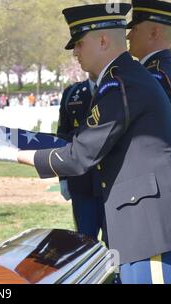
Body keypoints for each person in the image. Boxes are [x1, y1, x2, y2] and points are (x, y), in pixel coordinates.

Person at [0, 3, 171, 284]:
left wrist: (10, 153)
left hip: (149, 227)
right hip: (141, 225)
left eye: (79, 44)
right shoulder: (121, 78)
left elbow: (79, 155)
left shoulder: (120, 83)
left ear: (103, 40)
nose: (75, 53)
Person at [58, 75, 105, 241]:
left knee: (118, 244)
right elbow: (63, 137)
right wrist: (62, 178)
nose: (77, 54)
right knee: (85, 241)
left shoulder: (119, 87)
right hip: (81, 183)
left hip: (113, 184)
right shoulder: (72, 93)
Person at [127, 0, 171, 110]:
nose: (128, 36)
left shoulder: (155, 75)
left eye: (134, 29)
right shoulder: (164, 70)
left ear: (154, 33)